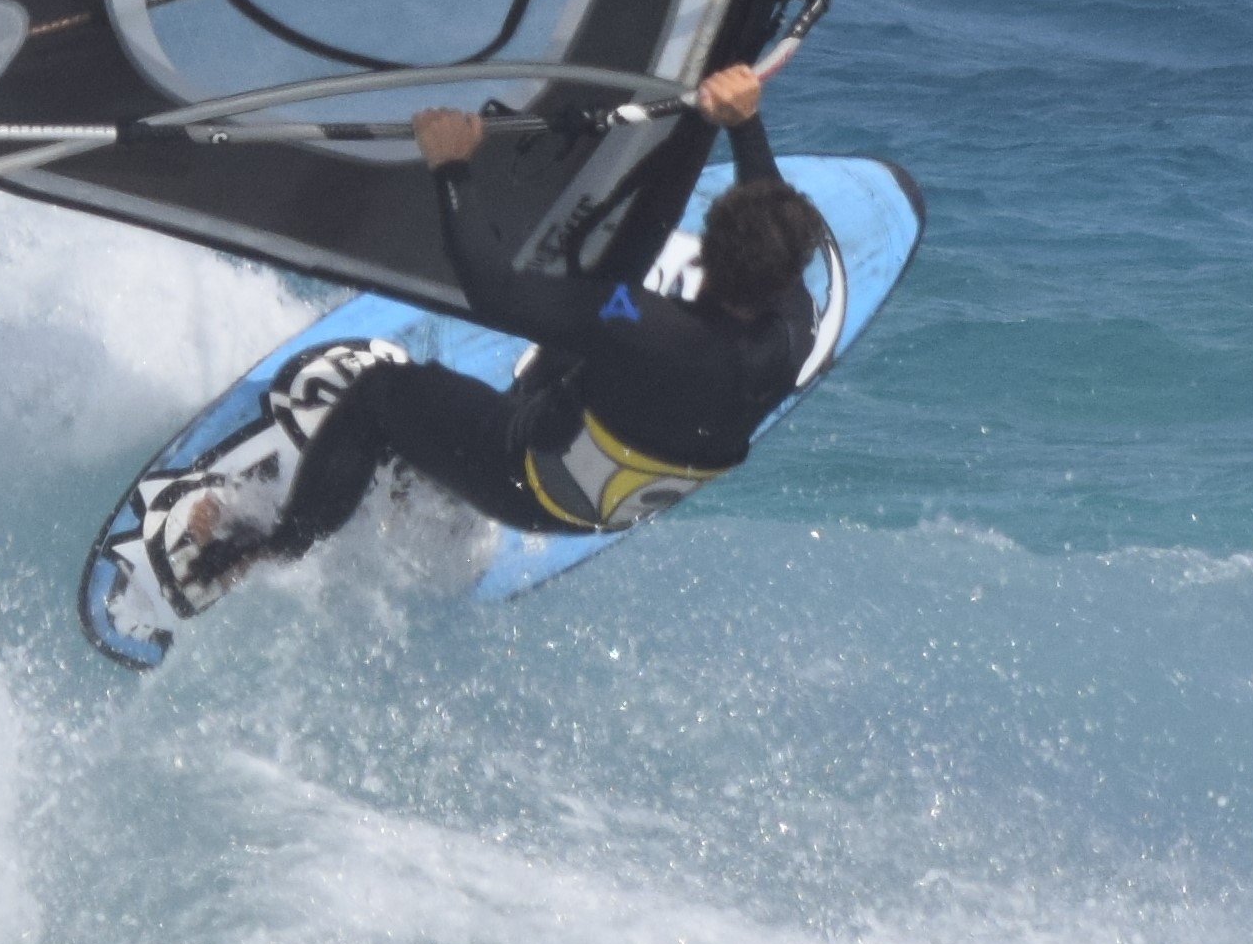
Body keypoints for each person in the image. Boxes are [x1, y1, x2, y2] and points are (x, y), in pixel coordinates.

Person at [173, 57, 833, 599]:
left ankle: (264, 545)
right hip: (612, 500)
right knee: (582, 360)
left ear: (710, 255)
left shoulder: (637, 324)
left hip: (526, 481)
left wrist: (453, 168)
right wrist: (743, 125)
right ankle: (421, 481)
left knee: (382, 393)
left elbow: (492, 289)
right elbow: (770, 219)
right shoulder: (791, 332)